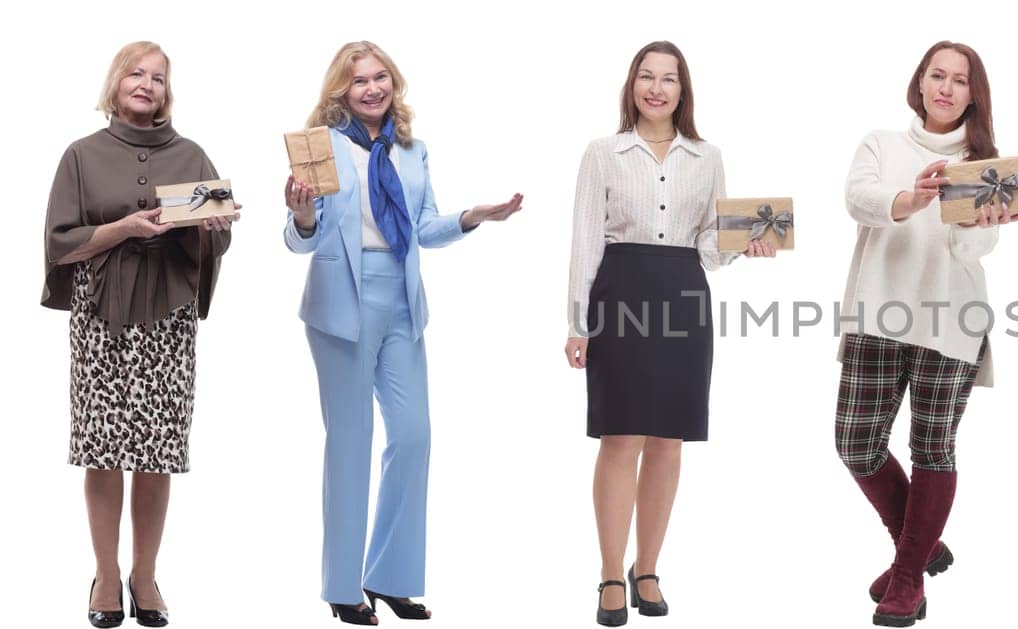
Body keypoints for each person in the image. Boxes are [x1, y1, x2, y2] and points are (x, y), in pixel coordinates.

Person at [283, 40, 523, 625]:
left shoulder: (412, 150)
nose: (372, 88)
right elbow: (298, 240)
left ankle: (389, 576)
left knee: (413, 436)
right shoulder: (322, 146)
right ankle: (343, 588)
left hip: (402, 300)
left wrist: (471, 218)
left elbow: (422, 229)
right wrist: (303, 213)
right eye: (359, 80)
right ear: (340, 89)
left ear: (394, 81)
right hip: (342, 301)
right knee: (350, 440)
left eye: (381, 76)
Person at [563, 40, 776, 627]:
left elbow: (709, 244)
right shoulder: (602, 152)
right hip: (620, 291)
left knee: (668, 440)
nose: (657, 88)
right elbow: (586, 238)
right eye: (647, 77)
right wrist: (578, 323)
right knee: (620, 436)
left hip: (683, 295)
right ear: (632, 85)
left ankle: (647, 567)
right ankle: (610, 572)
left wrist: (744, 246)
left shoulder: (706, 157)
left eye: (669, 79)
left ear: (684, 91)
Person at [43, 40, 236, 629]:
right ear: (117, 81)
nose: (146, 83)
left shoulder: (193, 154)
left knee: (156, 453)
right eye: (136, 72)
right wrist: (122, 228)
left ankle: (144, 575)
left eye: (158, 76)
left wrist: (211, 227)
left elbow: (217, 237)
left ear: (166, 92)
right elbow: (60, 241)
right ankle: (105, 574)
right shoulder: (81, 154)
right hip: (100, 314)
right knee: (102, 449)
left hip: (167, 316)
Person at [836, 41, 1018, 628]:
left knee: (932, 447)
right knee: (855, 442)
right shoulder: (882, 145)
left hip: (953, 319)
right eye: (936, 75)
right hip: (878, 314)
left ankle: (909, 577)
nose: (945, 87)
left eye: (959, 80)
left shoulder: (985, 164)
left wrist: (975, 221)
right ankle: (919, 545)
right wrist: (910, 198)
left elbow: (974, 251)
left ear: (974, 93)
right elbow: (858, 200)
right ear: (919, 84)